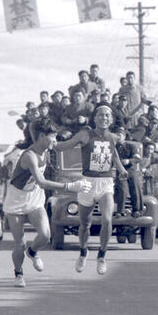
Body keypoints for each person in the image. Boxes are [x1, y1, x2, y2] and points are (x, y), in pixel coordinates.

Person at [3, 120, 90, 287]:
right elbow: (42, 182)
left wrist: (81, 137)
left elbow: (67, 145)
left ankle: (33, 251)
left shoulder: (49, 148)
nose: (55, 141)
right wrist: (71, 186)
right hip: (16, 199)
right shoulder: (29, 156)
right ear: (42, 136)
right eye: (52, 137)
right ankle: (19, 273)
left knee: (45, 235)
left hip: (34, 197)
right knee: (19, 242)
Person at [54, 105, 128, 275]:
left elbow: (113, 153)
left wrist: (121, 169)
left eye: (107, 115)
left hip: (105, 182)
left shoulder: (113, 137)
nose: (104, 118)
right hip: (87, 182)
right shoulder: (85, 135)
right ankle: (83, 252)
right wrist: (52, 145)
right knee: (85, 223)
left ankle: (101, 256)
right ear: (94, 119)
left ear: (111, 120)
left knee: (107, 220)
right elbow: (66, 145)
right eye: (100, 115)